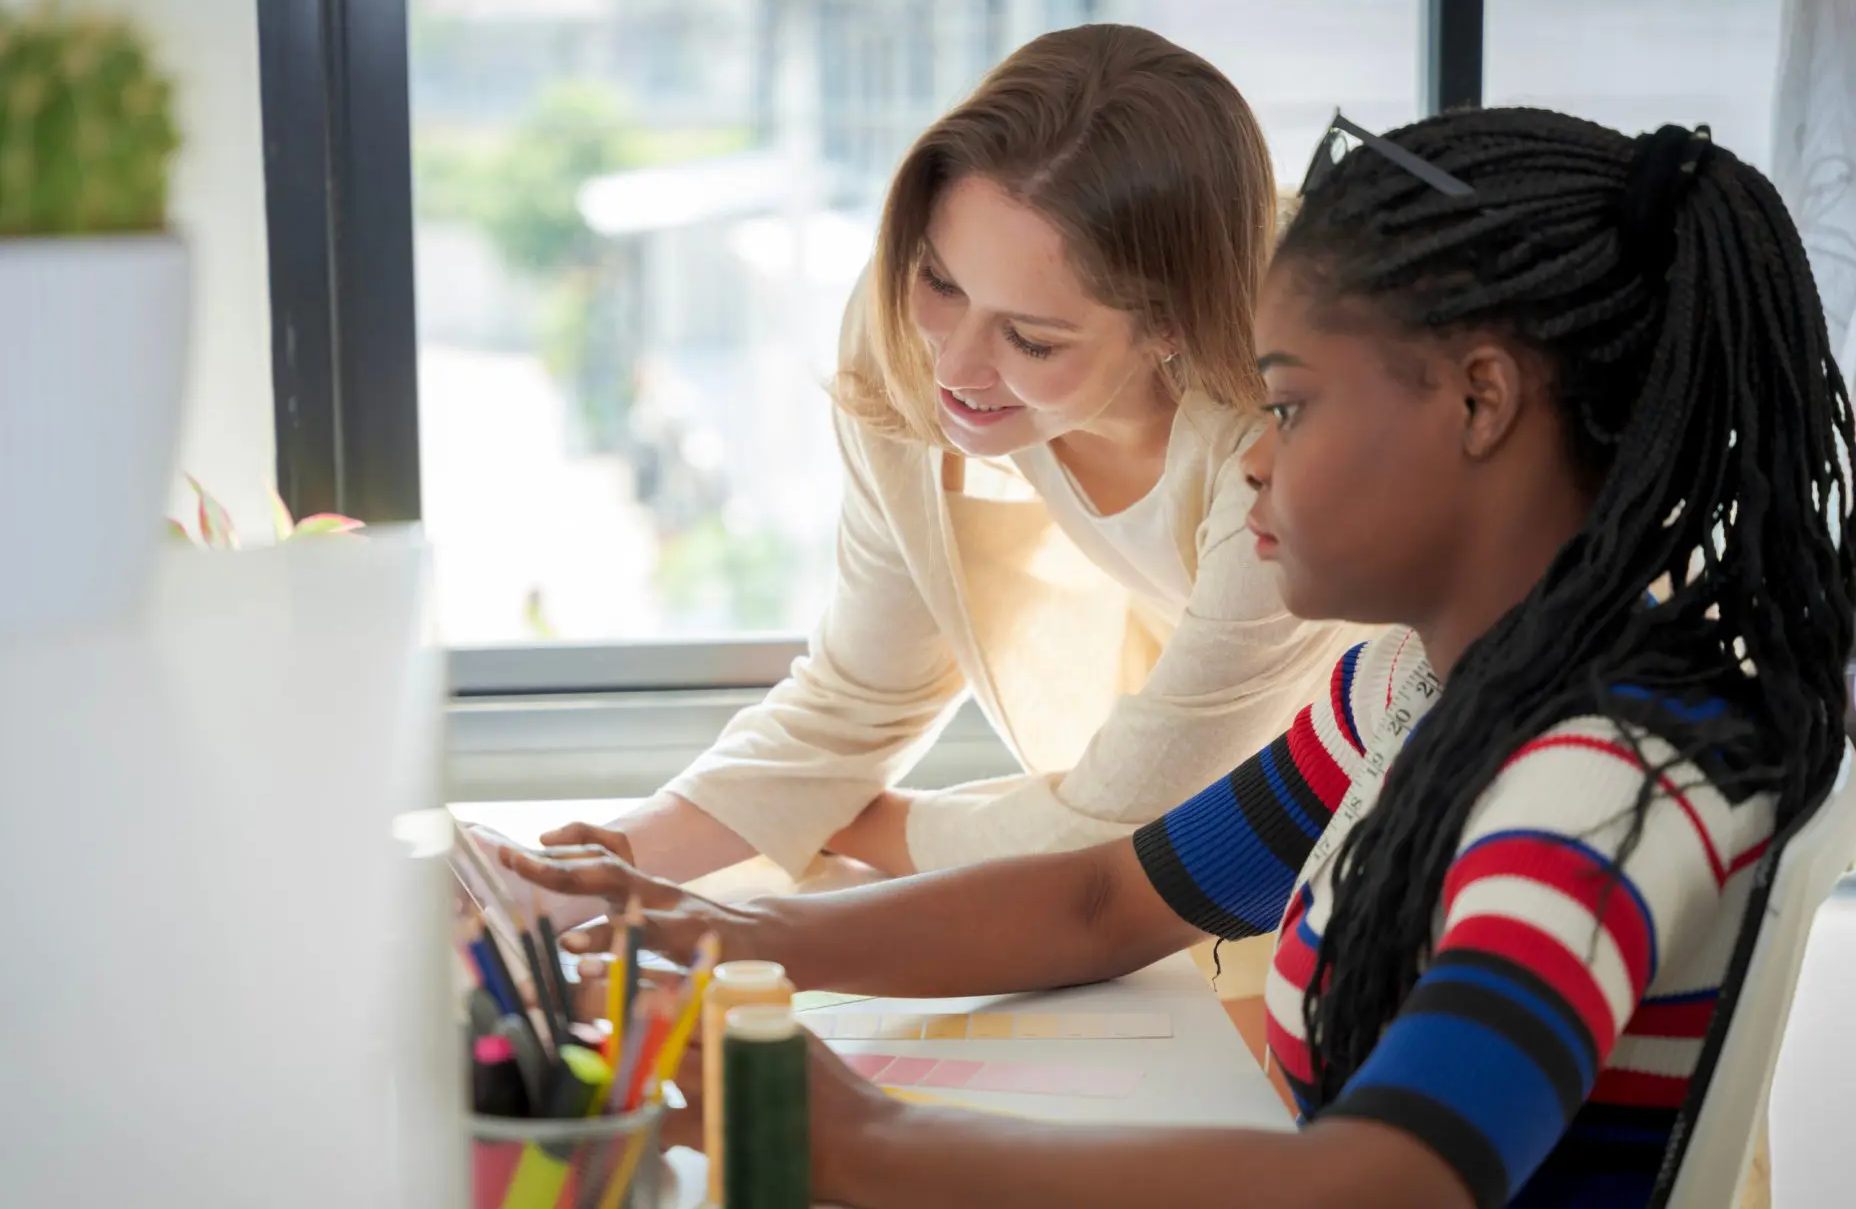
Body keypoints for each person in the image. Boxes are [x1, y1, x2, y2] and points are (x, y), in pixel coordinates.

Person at [499, 106, 1856, 1208]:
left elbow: (1391, 1183)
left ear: (1480, 402)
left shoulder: (1609, 781)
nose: (1255, 453)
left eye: (1291, 402)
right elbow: (1108, 902)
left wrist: (860, 1140)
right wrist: (713, 929)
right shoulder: (1410, 693)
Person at [491, 25, 1368, 935]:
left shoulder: (1285, 444)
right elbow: (858, 700)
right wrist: (583, 865)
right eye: (939, 280)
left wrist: (859, 821)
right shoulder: (906, 339)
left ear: (1174, 325)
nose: (953, 363)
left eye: (1031, 339)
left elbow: (1123, 829)